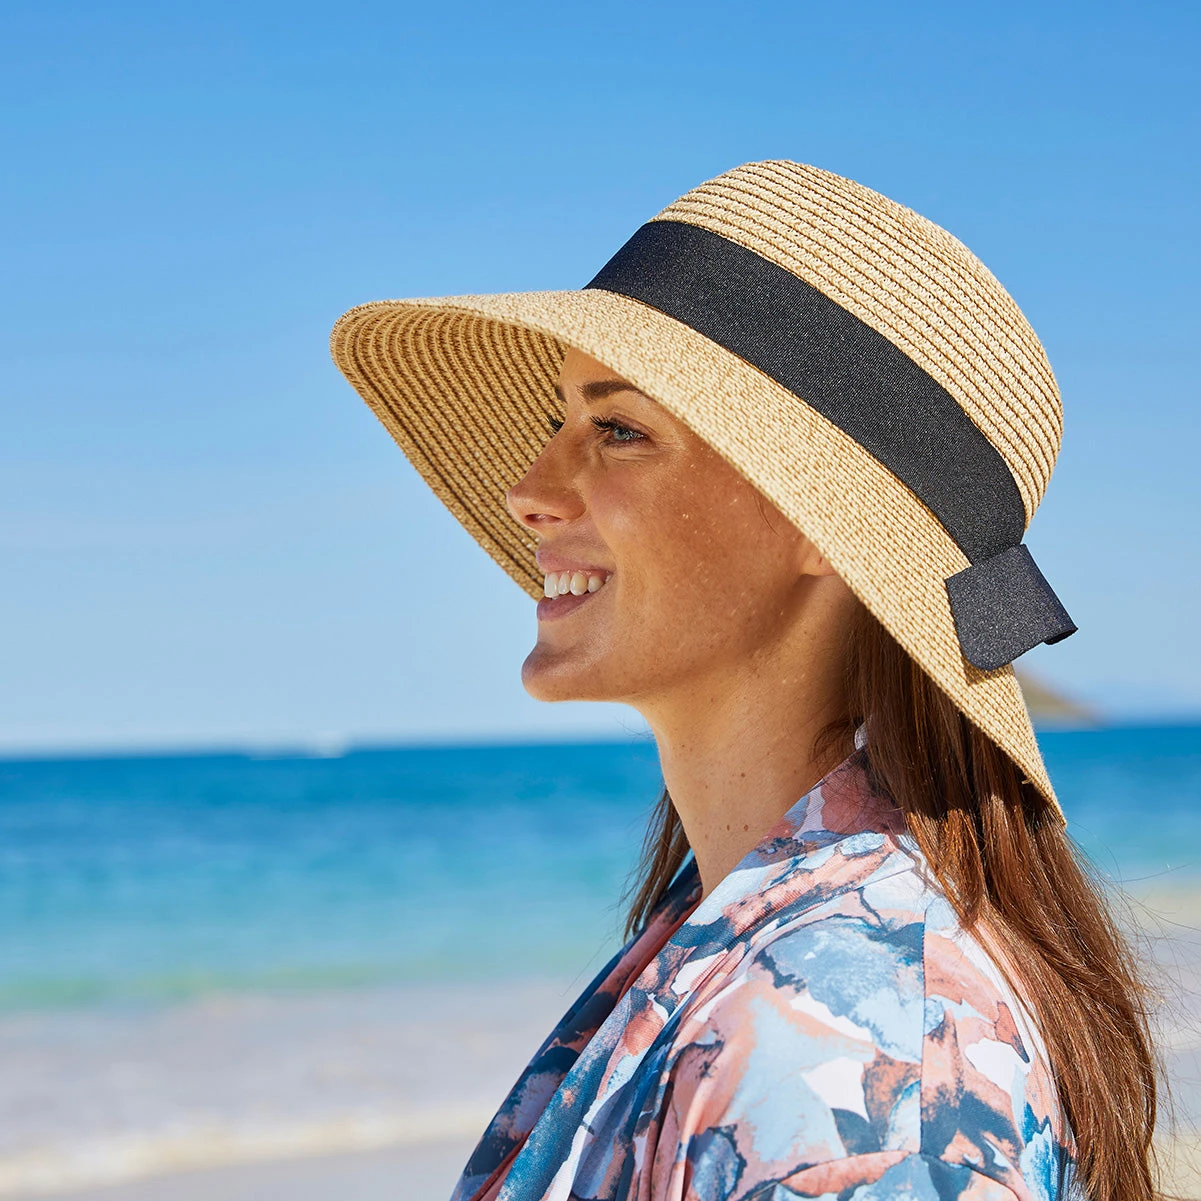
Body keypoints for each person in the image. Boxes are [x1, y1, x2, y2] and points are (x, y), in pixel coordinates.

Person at [331, 161, 1159, 1201]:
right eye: (556, 422)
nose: (528, 492)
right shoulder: (771, 953)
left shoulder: (850, 1076)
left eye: (618, 431)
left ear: (820, 523)